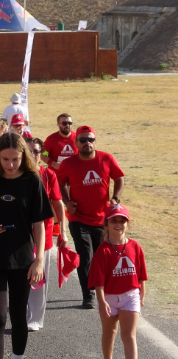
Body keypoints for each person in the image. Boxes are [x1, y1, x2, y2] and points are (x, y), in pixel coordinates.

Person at [0, 132, 53, 359]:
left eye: (15, 159)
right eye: (5, 159)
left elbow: (40, 224)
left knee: (19, 316)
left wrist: (39, 261)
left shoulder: (32, 181)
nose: (10, 164)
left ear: (23, 157)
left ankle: (18, 356)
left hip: (23, 259)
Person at [57, 125, 125, 309]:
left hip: (103, 220)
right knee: (85, 256)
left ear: (95, 141)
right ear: (76, 142)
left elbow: (119, 178)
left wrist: (116, 199)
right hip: (78, 219)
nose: (87, 143)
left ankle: (105, 289)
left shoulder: (106, 158)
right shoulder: (68, 164)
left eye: (91, 139)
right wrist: (67, 201)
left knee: (101, 257)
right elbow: (60, 183)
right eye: (83, 140)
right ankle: (88, 294)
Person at [88, 204, 147, 359]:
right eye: (114, 220)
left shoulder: (135, 246)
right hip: (109, 298)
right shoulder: (103, 250)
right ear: (106, 224)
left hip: (130, 296)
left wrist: (142, 294)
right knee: (109, 334)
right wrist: (101, 301)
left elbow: (141, 275)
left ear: (128, 224)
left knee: (129, 336)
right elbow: (98, 282)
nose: (118, 224)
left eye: (122, 220)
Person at [25, 137, 66, 332]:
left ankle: (34, 319)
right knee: (19, 279)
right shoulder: (16, 174)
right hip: (21, 237)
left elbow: (58, 204)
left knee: (39, 279)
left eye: (37, 151)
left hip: (45, 236)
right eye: (30, 151)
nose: (33, 155)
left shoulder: (49, 175)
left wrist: (63, 232)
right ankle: (20, 314)